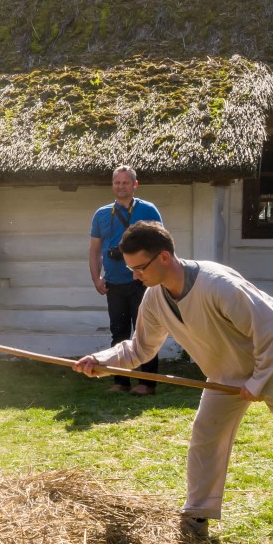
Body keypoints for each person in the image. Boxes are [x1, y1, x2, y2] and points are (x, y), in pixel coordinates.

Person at [73, 221, 273, 544]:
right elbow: (138, 350)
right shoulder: (154, 299)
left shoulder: (218, 285)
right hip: (226, 372)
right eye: (130, 268)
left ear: (164, 257)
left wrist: (258, 381)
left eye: (139, 267)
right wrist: (100, 361)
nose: (135, 276)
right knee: (206, 437)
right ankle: (197, 516)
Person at [89, 165, 164, 396]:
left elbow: (162, 244)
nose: (121, 187)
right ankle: (121, 381)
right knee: (118, 333)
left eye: (125, 182)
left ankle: (147, 383)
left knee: (145, 333)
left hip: (143, 282)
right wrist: (96, 279)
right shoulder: (102, 214)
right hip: (114, 283)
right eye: (117, 182)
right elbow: (95, 250)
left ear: (135, 185)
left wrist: (157, 276)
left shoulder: (148, 210)